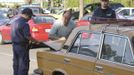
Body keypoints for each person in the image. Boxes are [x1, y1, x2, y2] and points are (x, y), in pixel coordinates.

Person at [11, 8, 38, 75]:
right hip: (22, 47)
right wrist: (36, 41)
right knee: (23, 66)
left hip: (15, 46)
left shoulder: (14, 22)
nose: (30, 18)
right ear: (26, 15)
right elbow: (27, 36)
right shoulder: (25, 24)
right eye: (30, 16)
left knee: (16, 64)